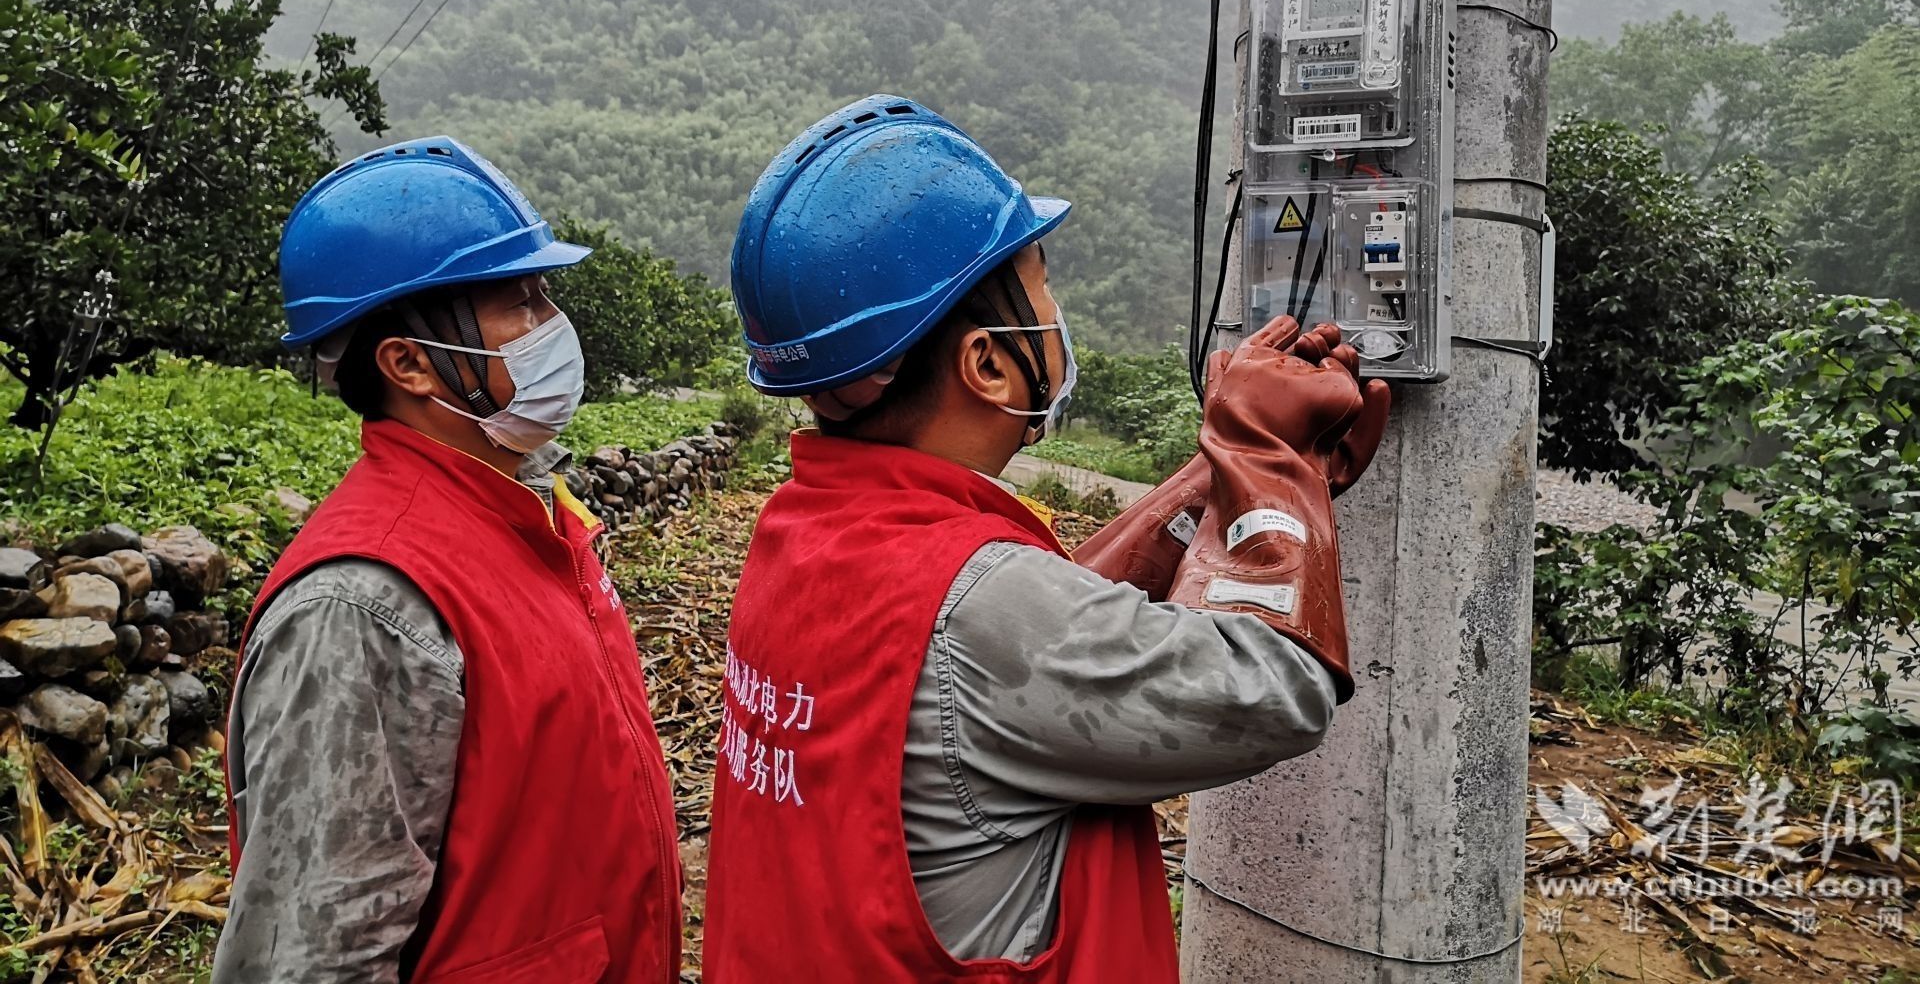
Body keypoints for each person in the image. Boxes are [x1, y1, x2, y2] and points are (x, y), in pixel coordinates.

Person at [702, 95, 1390, 982]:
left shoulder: (812, 532)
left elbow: (1049, 612)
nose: (1054, 305)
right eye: (1040, 281)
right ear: (987, 363)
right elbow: (1271, 687)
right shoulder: (979, 608)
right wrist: (1260, 456)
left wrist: (1219, 478)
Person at [213, 137, 682, 984]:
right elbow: (317, 955)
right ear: (410, 364)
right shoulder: (363, 606)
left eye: (547, 295)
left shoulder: (522, 515)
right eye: (522, 302)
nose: (555, 327)